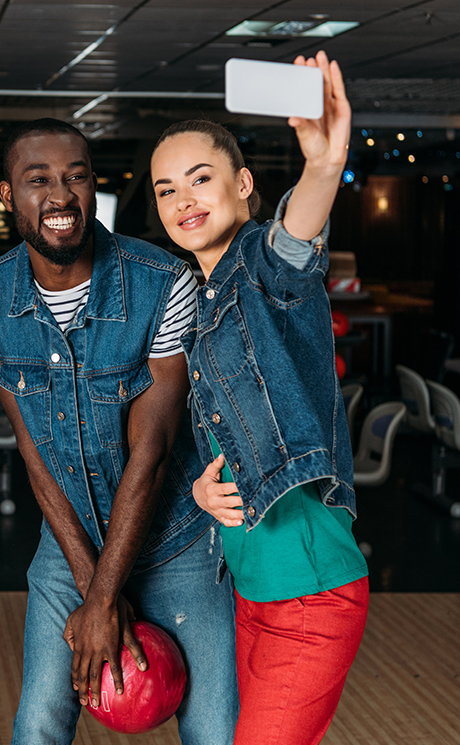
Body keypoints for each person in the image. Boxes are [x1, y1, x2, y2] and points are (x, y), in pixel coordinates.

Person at [0, 118, 238, 745]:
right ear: (8, 196)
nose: (60, 196)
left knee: (216, 732)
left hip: (176, 543)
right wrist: (93, 593)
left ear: (94, 187)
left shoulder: (163, 282)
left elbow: (154, 452)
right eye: (38, 180)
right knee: (38, 723)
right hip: (69, 550)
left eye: (76, 177)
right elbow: (34, 454)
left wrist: (104, 599)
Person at [148, 51, 368, 745]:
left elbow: (294, 239)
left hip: (310, 593)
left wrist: (325, 166)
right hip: (251, 592)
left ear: (244, 186)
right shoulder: (200, 302)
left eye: (201, 179)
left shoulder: (262, 274)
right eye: (165, 190)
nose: (183, 200)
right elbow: (224, 438)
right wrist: (202, 494)